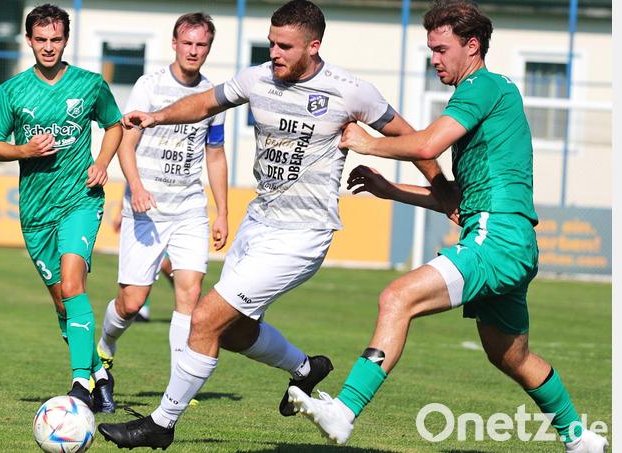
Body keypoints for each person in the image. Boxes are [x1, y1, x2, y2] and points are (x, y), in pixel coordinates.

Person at [97, 1, 450, 448]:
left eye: (285, 46)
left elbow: (414, 140)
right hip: (258, 224)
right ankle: (305, 368)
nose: (275, 52)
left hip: (303, 234)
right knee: (235, 332)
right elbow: (206, 102)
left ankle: (161, 424)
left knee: (202, 320)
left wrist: (443, 192)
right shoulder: (258, 77)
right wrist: (156, 116)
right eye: (271, 43)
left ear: (313, 46)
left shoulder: (350, 91)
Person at [287, 1, 608, 452]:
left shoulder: (481, 86)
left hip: (496, 238)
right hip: (507, 238)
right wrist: (389, 190)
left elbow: (430, 142)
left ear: (472, 46)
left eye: (441, 49)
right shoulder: (489, 98)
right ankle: (582, 440)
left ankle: (344, 412)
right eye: (430, 50)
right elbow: (455, 202)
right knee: (511, 356)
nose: (434, 59)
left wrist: (369, 142)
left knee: (397, 298)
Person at [0, 3, 123, 413]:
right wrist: (23, 149)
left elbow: (114, 124)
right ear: (29, 40)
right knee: (63, 302)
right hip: (35, 211)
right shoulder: (10, 92)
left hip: (80, 201)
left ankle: (79, 383)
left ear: (66, 40)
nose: (48, 47)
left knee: (74, 285)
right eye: (41, 39)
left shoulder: (90, 84)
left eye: (56, 39)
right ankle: (99, 373)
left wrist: (101, 162)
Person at [95, 12, 229, 390]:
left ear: (208, 48)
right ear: (174, 44)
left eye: (201, 45)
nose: (193, 51)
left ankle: (179, 385)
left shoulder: (212, 95)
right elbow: (126, 142)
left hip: (189, 208)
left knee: (189, 293)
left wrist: (223, 211)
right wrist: (135, 188)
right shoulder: (148, 86)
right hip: (146, 208)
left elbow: (215, 154)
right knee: (132, 303)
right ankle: (105, 346)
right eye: (187, 43)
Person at [109, 185, 177, 323]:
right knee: (141, 262)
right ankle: (143, 310)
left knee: (167, 266)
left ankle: (186, 299)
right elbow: (130, 181)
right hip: (145, 217)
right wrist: (120, 212)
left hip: (173, 214)